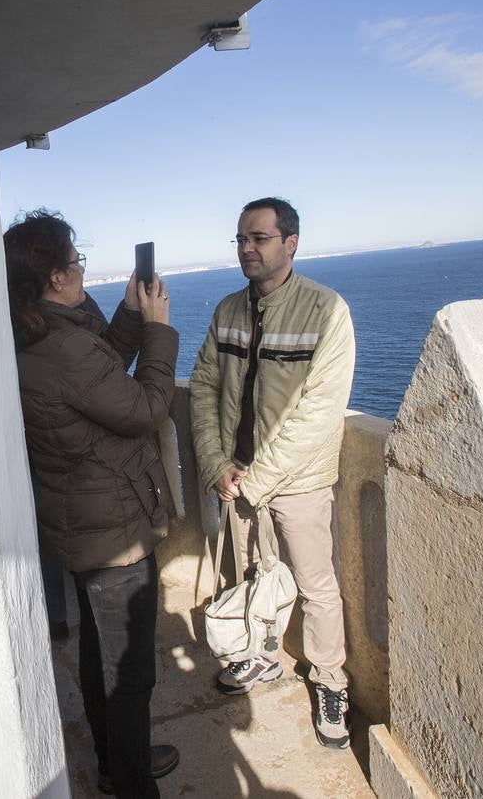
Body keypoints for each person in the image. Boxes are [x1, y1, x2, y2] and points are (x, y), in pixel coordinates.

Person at [4, 210, 180, 797]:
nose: (81, 269)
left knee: (97, 654)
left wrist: (130, 314)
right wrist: (157, 328)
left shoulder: (37, 332)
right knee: (128, 676)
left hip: (82, 525)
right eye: (75, 261)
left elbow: (99, 366)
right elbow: (145, 407)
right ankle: (131, 782)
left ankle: (112, 762)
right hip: (112, 532)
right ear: (55, 277)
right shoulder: (59, 346)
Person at [188, 197, 356, 749]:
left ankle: (331, 681)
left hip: (298, 482)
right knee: (250, 574)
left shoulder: (326, 310)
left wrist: (256, 481)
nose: (247, 250)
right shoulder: (227, 310)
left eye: (258, 238)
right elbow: (206, 388)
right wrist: (217, 464)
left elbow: (317, 414)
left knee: (315, 585)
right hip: (235, 477)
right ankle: (261, 657)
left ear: (291, 243)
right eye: (240, 239)